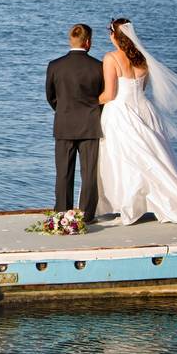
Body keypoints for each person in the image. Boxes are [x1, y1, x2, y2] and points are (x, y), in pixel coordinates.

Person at [96, 18, 177, 225]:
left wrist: (89, 100)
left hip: (121, 113)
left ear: (114, 35)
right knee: (153, 158)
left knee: (125, 159)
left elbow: (110, 94)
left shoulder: (111, 58)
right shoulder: (143, 59)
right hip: (144, 110)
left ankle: (130, 208)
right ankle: (160, 202)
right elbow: (141, 89)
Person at [45, 23, 104, 222]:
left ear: (71, 40)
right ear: (88, 42)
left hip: (64, 124)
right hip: (90, 125)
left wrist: (63, 110)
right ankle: (86, 215)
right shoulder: (98, 66)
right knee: (89, 175)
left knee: (63, 173)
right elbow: (102, 96)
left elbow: (51, 97)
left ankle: (62, 213)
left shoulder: (55, 65)